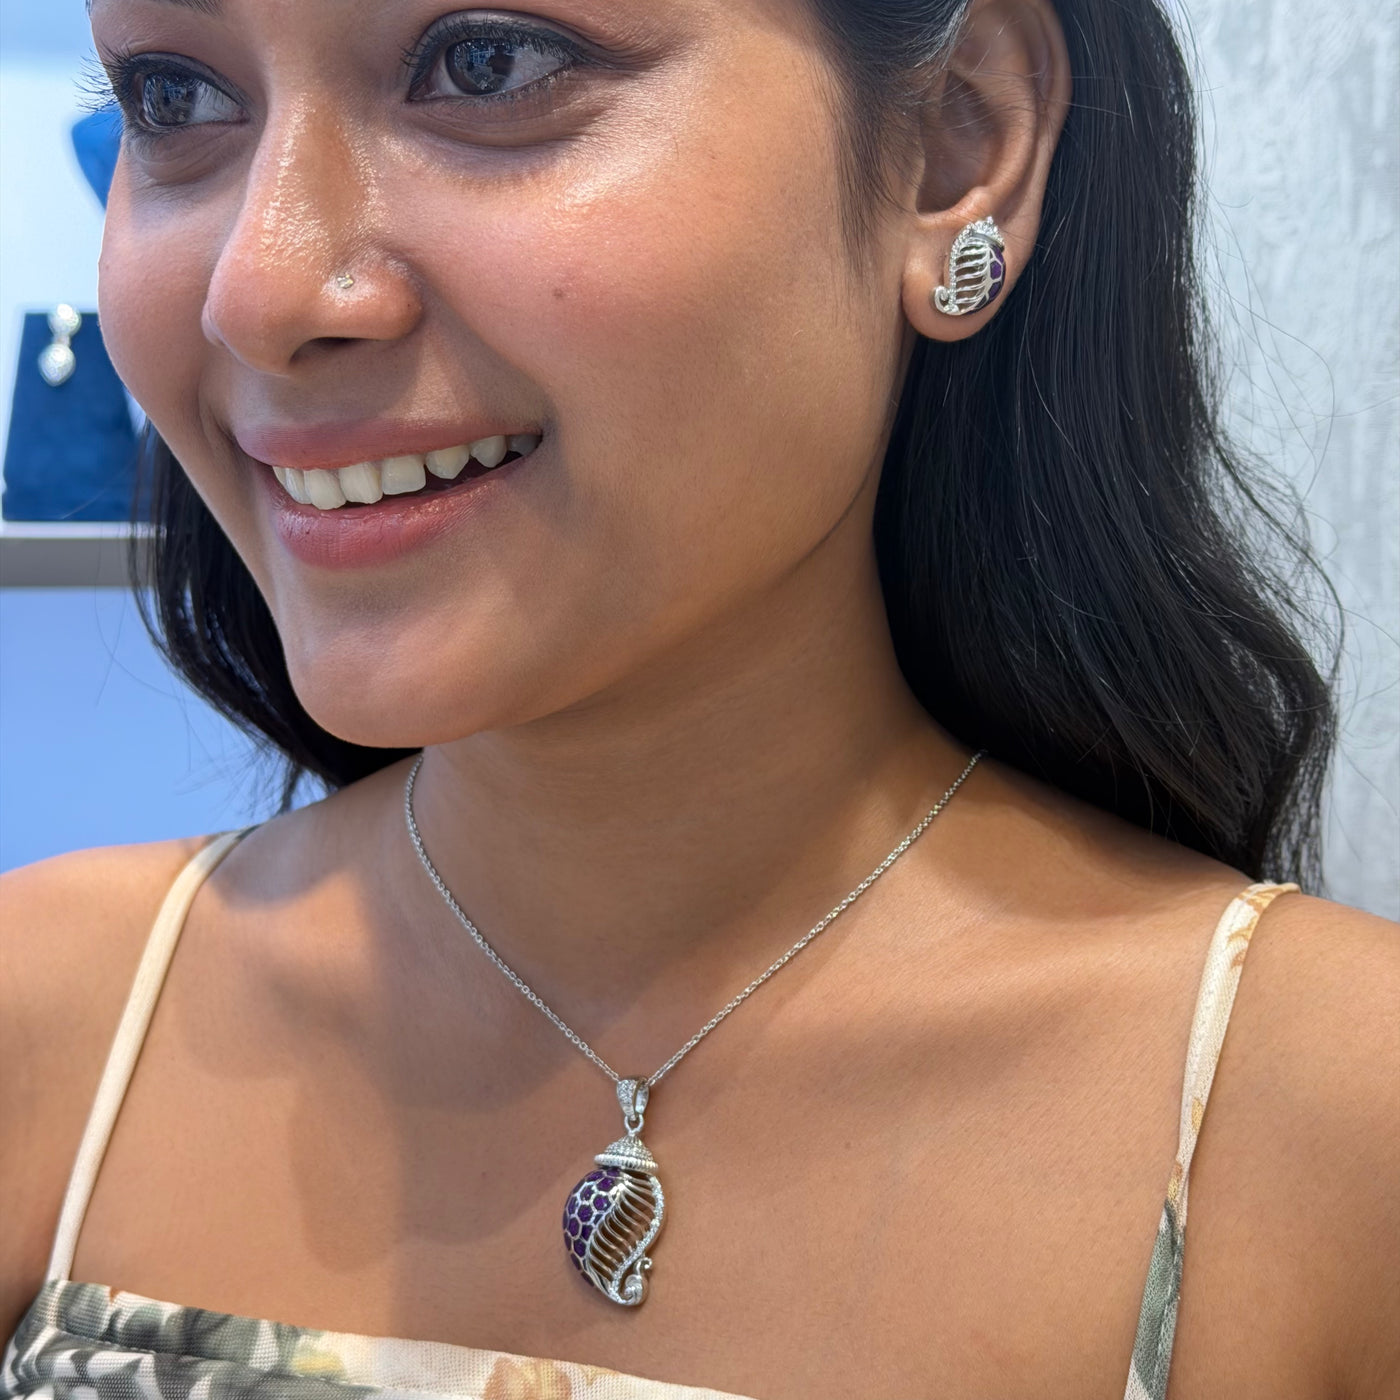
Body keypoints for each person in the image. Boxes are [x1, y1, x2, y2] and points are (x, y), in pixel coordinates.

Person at [1, 0, 1395, 1395]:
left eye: (487, 64)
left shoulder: (1335, 1131)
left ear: (955, 147)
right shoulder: (45, 1019)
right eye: (174, 99)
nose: (258, 293)